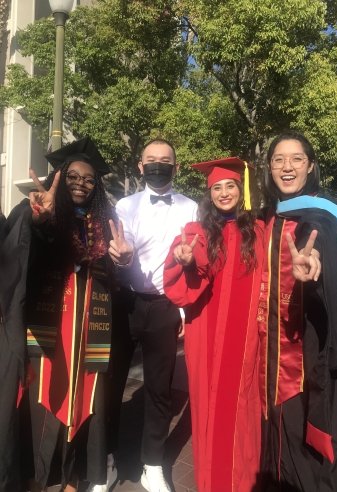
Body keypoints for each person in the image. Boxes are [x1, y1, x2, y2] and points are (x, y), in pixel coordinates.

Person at [0, 138, 117, 492]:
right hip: (48, 326)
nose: (81, 184)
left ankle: (69, 476)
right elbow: (20, 254)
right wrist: (39, 218)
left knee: (83, 399)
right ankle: (36, 477)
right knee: (43, 401)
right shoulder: (38, 209)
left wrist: (122, 262)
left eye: (89, 179)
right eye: (72, 177)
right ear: (59, 177)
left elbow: (112, 276)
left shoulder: (102, 222)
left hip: (86, 331)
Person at [259, 130, 337, 491]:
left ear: (311, 166)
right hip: (273, 350)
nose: (287, 167)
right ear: (269, 168)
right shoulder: (269, 217)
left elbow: (336, 269)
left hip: (312, 350)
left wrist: (315, 271)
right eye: (279, 160)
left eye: (297, 159)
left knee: (311, 437)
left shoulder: (323, 217)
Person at [163, 157, 264, 491]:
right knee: (207, 408)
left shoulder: (260, 232)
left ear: (242, 190)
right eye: (216, 187)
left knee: (243, 409)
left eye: (230, 186)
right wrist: (184, 259)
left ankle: (243, 482)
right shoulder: (200, 233)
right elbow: (183, 278)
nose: (224, 193)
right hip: (204, 336)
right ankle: (210, 483)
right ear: (209, 194)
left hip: (246, 337)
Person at [108, 138, 198, 492]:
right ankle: (108, 460)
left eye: (166, 160)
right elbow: (122, 240)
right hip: (126, 305)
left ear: (176, 168)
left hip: (164, 306)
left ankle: (152, 464)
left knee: (160, 391)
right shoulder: (125, 205)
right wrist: (124, 255)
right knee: (111, 385)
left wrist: (181, 311)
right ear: (140, 167)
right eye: (151, 160)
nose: (158, 165)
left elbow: (194, 254)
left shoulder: (190, 207)